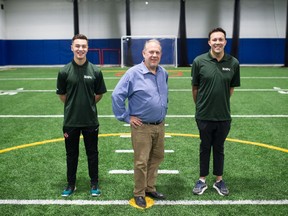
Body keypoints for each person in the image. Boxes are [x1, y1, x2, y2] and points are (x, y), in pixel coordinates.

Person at [111, 39, 168, 208]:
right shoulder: (133, 73)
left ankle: (149, 187)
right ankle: (139, 192)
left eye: (157, 52)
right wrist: (126, 116)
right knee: (141, 161)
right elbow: (117, 95)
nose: (154, 55)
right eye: (151, 52)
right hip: (141, 126)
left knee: (157, 158)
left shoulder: (163, 72)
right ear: (143, 53)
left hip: (160, 124)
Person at [191, 27, 240, 196]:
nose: (218, 42)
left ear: (225, 42)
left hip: (224, 115)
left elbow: (231, 88)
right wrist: (201, 107)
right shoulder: (199, 61)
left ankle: (219, 180)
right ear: (209, 42)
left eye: (221, 39)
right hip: (204, 115)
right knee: (205, 147)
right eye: (215, 39)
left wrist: (221, 103)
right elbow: (195, 88)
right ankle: (202, 180)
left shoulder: (233, 63)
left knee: (219, 148)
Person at [56, 34, 107, 197]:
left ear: (87, 48)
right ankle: (71, 184)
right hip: (70, 121)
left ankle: (94, 183)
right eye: (77, 46)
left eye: (83, 46)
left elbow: (99, 93)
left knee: (92, 153)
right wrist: (74, 106)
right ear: (72, 47)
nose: (80, 49)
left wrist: (87, 105)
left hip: (90, 120)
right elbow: (62, 95)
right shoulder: (64, 71)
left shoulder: (95, 70)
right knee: (71, 155)